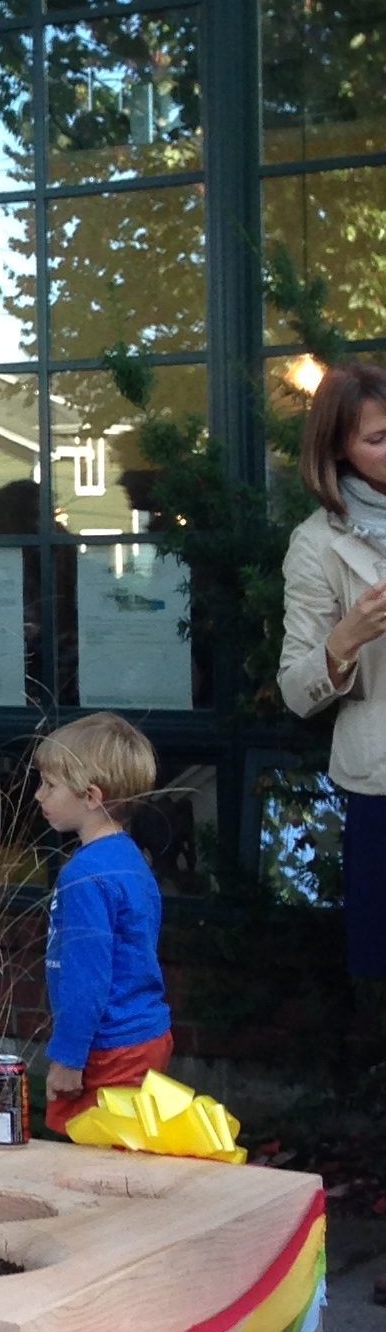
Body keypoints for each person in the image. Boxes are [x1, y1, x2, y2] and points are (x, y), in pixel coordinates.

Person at [280, 359, 386, 985]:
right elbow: (296, 688)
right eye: (376, 439)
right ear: (338, 451)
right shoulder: (317, 544)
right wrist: (343, 641)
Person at [35, 712, 171, 1129]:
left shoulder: (84, 875)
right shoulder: (129, 859)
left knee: (98, 1172)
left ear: (92, 796)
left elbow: (87, 977)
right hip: (144, 1035)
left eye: (50, 785)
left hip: (108, 1047)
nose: (39, 795)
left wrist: (68, 1059)